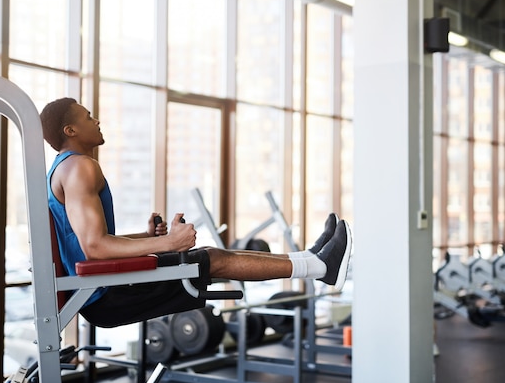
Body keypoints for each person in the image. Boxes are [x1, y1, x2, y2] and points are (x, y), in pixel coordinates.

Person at [40, 97, 353, 328]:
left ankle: (311, 258)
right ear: (70, 129)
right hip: (107, 296)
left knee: (210, 255)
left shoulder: (65, 170)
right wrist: (168, 243)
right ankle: (319, 266)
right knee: (212, 260)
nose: (96, 120)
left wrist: (147, 237)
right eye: (88, 116)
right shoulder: (81, 168)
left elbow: (88, 241)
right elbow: (94, 248)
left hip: (104, 292)